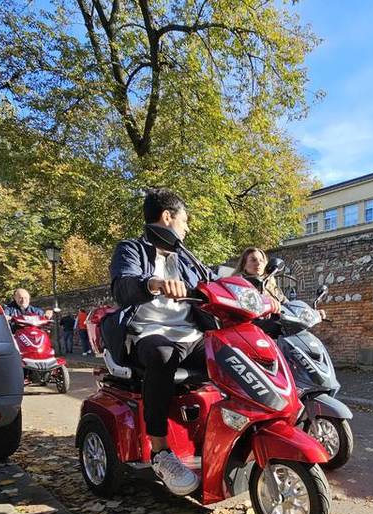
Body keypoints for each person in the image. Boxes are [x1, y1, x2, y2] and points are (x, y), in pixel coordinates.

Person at [110, 187, 213, 496]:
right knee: (163, 354)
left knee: (229, 353)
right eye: (185, 220)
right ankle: (160, 451)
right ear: (167, 217)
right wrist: (153, 283)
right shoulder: (131, 249)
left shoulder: (187, 259)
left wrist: (259, 295)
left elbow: (214, 282)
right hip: (149, 333)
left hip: (190, 335)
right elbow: (123, 287)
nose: (188, 227)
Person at [236, 247, 284, 312]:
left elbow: (286, 303)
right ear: (244, 265)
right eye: (253, 260)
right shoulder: (237, 284)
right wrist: (266, 301)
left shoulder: (271, 286)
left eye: (261, 260)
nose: (258, 263)